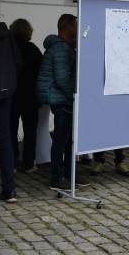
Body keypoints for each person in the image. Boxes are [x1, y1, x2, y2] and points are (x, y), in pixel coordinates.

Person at [36, 13, 89, 191]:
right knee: (61, 139)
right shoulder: (61, 49)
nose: (78, 28)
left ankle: (68, 172)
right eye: (75, 25)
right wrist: (73, 96)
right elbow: (62, 78)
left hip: (62, 98)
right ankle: (57, 177)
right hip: (62, 99)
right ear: (67, 27)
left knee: (67, 139)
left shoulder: (62, 46)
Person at [0, 17, 22, 203]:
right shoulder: (7, 34)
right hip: (6, 93)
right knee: (5, 141)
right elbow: (18, 61)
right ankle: (10, 190)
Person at [9, 18, 43, 174]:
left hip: (11, 96)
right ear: (28, 31)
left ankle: (12, 162)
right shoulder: (32, 49)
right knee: (30, 132)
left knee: (10, 131)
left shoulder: (7, 48)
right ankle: (29, 163)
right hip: (30, 97)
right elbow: (41, 70)